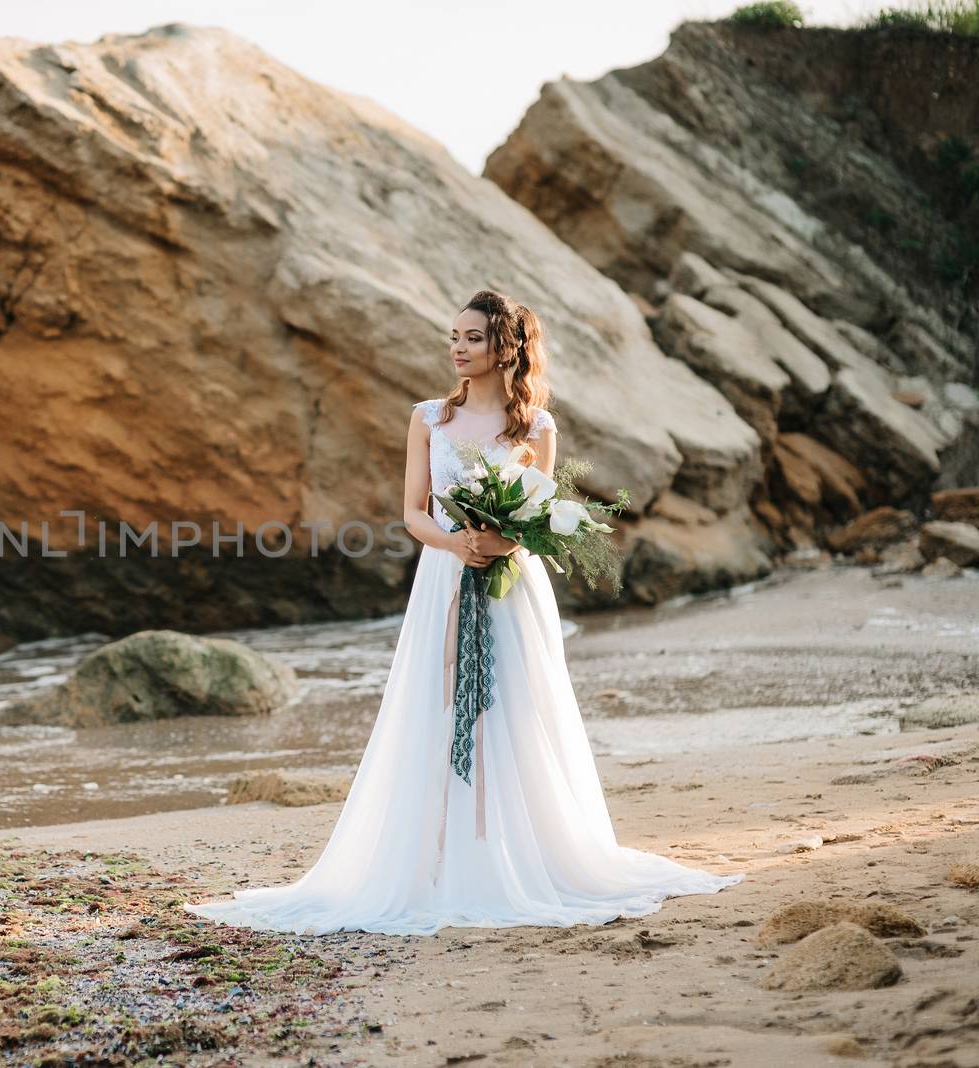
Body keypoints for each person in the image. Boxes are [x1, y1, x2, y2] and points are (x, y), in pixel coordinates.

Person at [182, 289, 744, 935]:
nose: (456, 348)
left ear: (505, 345)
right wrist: (457, 542)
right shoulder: (428, 418)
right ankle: (444, 855)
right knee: (440, 703)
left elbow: (537, 513)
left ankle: (512, 851)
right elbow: (413, 511)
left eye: (471, 337)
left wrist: (502, 541)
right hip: (444, 576)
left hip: (510, 583)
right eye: (453, 336)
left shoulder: (536, 427)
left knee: (515, 708)